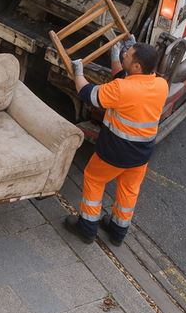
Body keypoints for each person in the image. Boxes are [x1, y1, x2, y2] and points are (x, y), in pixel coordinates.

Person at [63, 37, 168, 246]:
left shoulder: (121, 89)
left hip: (114, 151)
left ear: (137, 67)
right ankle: (118, 231)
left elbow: (87, 94)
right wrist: (116, 60)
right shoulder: (160, 84)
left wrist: (78, 72)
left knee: (94, 179)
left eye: (127, 55)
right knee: (129, 191)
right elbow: (125, 80)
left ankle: (87, 228)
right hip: (141, 155)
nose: (124, 54)